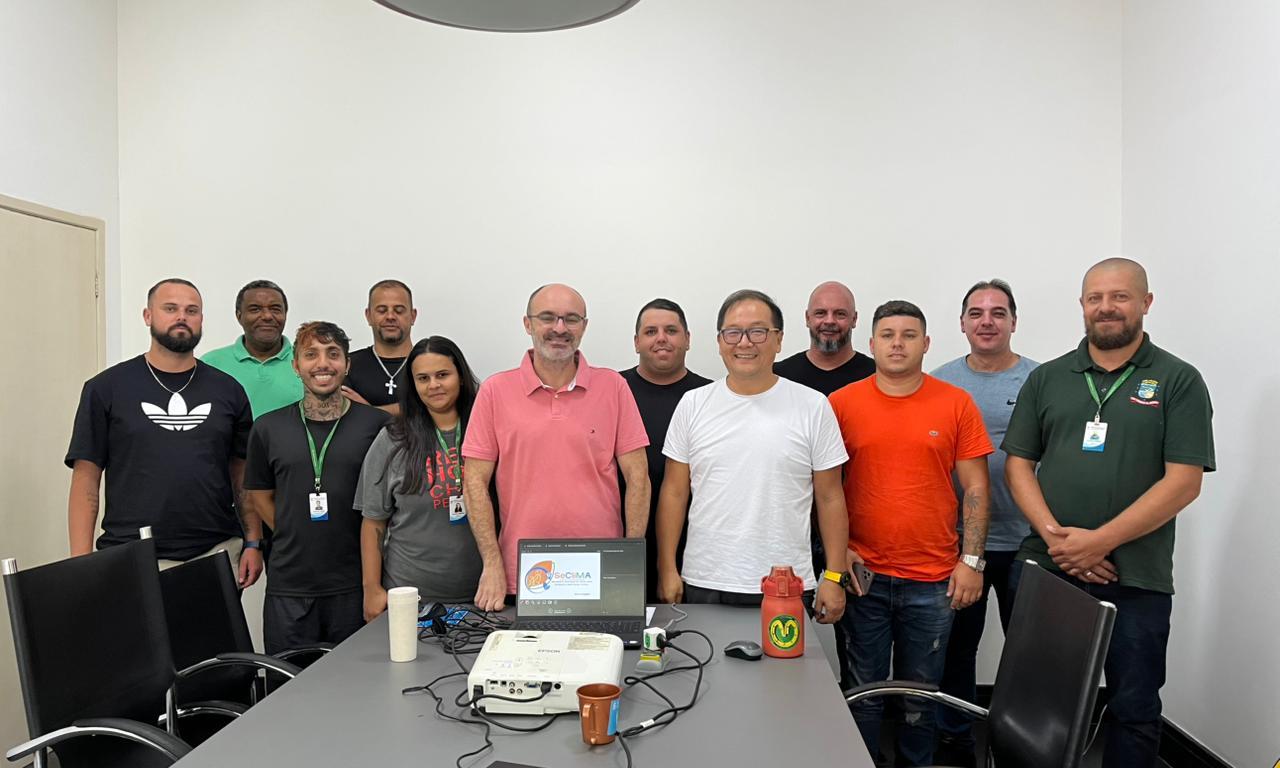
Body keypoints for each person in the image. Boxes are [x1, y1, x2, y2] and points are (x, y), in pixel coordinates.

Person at [1004, 258, 1214, 768]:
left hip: (1135, 576)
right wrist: (1058, 540)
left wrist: (1099, 542)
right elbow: (1018, 466)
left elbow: (1183, 482)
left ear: (1146, 302)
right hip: (1048, 567)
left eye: (1119, 296)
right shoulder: (1048, 378)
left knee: (1133, 708)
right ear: (1082, 305)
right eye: (1095, 298)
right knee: (1034, 705)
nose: (1106, 307)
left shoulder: (1178, 380)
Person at [828, 300, 992, 767]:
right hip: (863, 576)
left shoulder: (955, 403)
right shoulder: (841, 404)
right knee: (863, 694)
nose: (897, 344)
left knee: (921, 698)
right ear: (871, 343)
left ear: (926, 343)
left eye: (908, 335)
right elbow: (824, 489)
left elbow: (976, 488)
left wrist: (972, 561)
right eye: (887, 335)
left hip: (934, 580)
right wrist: (837, 557)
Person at [656, 289, 847, 626]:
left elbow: (830, 497)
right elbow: (674, 492)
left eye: (758, 331)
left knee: (787, 663)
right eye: (733, 332)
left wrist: (834, 576)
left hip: (786, 583)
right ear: (719, 341)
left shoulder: (813, 406)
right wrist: (667, 568)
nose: (744, 343)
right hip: (705, 579)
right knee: (706, 662)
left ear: (779, 340)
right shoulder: (693, 404)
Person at [461, 283, 650, 611]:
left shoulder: (613, 387)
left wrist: (629, 561)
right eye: (548, 317)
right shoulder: (495, 391)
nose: (560, 328)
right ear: (528, 323)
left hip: (600, 570)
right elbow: (474, 481)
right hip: (523, 573)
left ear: (584, 326)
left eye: (571, 319)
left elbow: (639, 478)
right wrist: (491, 564)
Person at [65, 278, 262, 586]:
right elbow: (86, 480)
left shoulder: (228, 390)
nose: (182, 317)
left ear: (201, 319)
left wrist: (253, 541)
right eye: (170, 308)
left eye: (191, 310)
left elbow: (242, 475)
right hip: (132, 555)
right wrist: (81, 563)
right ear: (148, 316)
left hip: (216, 552)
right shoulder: (106, 388)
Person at [930, 279, 1039, 765]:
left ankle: (1023, 745)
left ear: (1014, 321)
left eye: (998, 313)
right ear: (962, 324)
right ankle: (955, 742)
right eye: (976, 313)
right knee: (956, 650)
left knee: (1030, 654)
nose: (987, 322)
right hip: (959, 545)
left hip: (1027, 543)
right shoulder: (940, 382)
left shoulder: (1040, 381)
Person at [243, 322, 389, 653]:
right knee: (289, 679)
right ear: (296, 365)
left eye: (333, 354)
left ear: (347, 364)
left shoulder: (377, 425)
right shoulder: (267, 428)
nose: (323, 364)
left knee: (357, 679)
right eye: (311, 355)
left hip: (356, 585)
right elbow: (259, 495)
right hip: (290, 586)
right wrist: (293, 530)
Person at [357, 336, 485, 620]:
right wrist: (372, 589)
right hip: (409, 597)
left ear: (461, 377)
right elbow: (373, 521)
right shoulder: (393, 439)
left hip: (486, 594)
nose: (434, 385)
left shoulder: (487, 431)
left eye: (442, 375)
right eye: (423, 378)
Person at [619, 298, 711, 602]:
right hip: (621, 541)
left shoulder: (711, 397)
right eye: (651, 331)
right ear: (636, 342)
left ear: (687, 339)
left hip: (693, 546)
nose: (661, 338)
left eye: (671, 330)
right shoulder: (612, 390)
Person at [202, 279, 303, 419]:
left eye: (275, 309)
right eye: (255, 309)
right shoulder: (211, 364)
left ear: (285, 314)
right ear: (239, 316)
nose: (267, 316)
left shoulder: (307, 362)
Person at [773, 280, 875, 395]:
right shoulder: (778, 377)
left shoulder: (878, 376)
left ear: (854, 319)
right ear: (807, 318)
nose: (829, 321)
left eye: (840, 314)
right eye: (820, 313)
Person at [342, 280, 417, 416]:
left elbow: (432, 407)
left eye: (399, 311)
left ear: (413, 316)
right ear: (368, 316)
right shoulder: (347, 365)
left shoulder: (429, 363)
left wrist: (370, 412)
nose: (390, 316)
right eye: (382, 310)